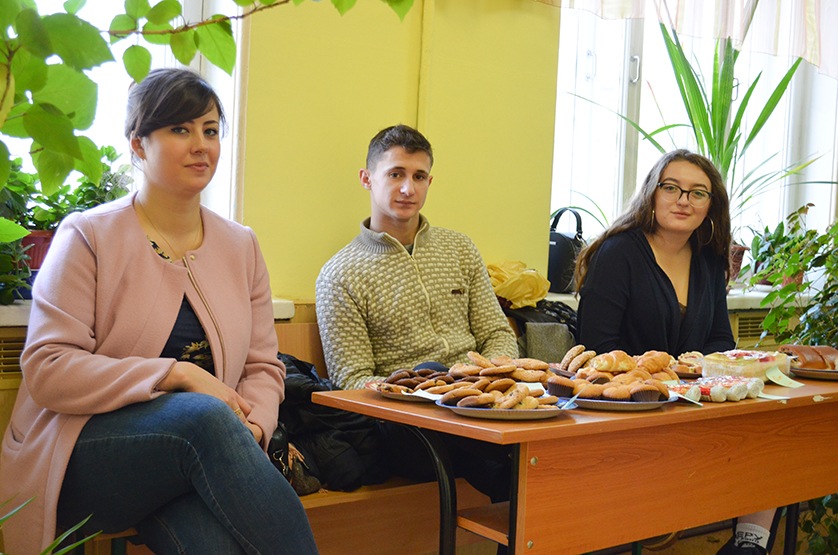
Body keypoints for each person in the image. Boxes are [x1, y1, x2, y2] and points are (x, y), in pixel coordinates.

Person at [0, 68, 318, 555]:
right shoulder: (88, 234)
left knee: (215, 543)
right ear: (138, 144)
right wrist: (176, 374)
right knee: (204, 419)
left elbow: (262, 366)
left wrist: (254, 428)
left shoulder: (241, 245)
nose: (201, 145)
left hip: (196, 455)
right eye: (180, 129)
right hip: (80, 453)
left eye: (210, 130)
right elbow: (49, 369)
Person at [575, 149, 777, 555]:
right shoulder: (619, 253)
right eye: (672, 188)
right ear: (652, 193)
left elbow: (720, 340)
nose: (684, 200)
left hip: (690, 403)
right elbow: (598, 347)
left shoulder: (709, 259)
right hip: (629, 411)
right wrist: (663, 375)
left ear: (710, 206)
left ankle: (749, 545)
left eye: (697, 193)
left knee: (770, 433)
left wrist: (698, 366)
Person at [315, 124, 518, 503]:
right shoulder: (340, 274)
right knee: (433, 371)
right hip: (404, 423)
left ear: (429, 181)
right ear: (367, 179)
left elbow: (497, 333)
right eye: (396, 174)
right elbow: (351, 380)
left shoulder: (460, 249)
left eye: (419, 176)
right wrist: (428, 390)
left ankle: (521, 485)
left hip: (479, 401)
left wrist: (484, 380)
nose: (408, 188)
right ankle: (517, 483)